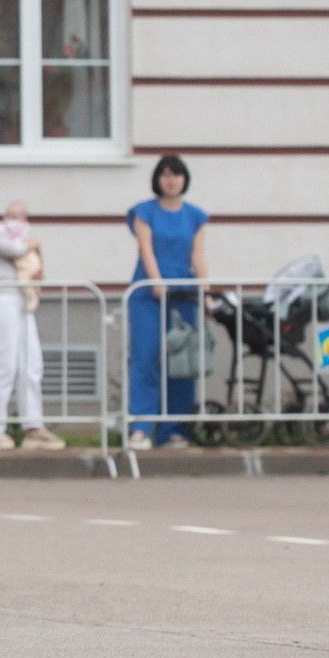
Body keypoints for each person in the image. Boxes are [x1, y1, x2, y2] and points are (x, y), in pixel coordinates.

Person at [0, 179, 64, 452]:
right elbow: (16, 249)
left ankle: (33, 426)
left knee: (31, 363)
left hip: (19, 297)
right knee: (2, 363)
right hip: (0, 298)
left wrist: (35, 262)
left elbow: (22, 250)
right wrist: (32, 244)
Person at [126, 153, 210, 451]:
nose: (171, 180)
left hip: (184, 292)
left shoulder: (196, 216)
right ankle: (141, 428)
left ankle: (174, 430)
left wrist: (207, 292)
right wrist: (156, 281)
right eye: (165, 174)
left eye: (176, 174)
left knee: (181, 362)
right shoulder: (143, 212)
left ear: (184, 179)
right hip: (148, 293)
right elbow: (146, 249)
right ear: (157, 179)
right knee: (145, 358)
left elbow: (197, 256)